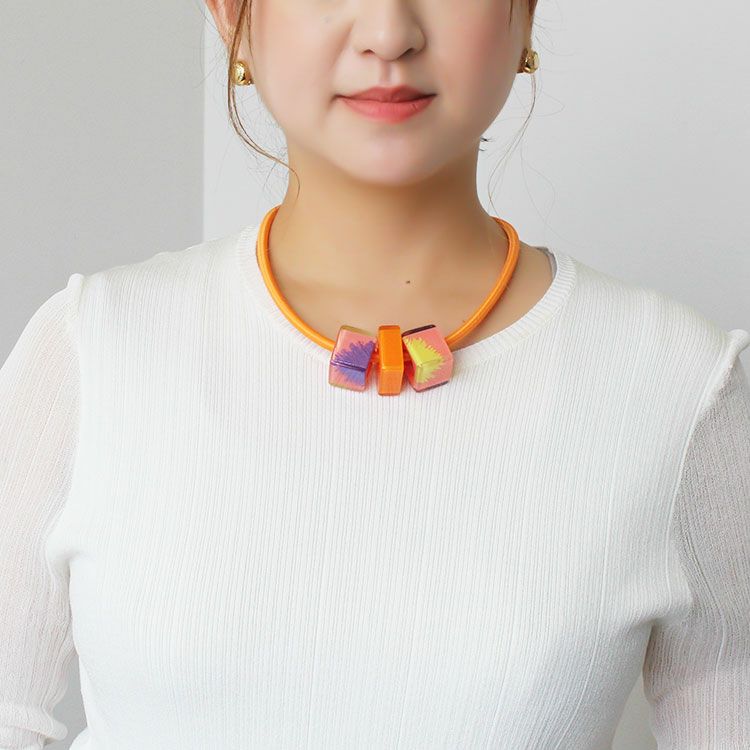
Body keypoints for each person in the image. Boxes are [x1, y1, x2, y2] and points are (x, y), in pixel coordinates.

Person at [1, 0, 748, 747]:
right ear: (231, 16)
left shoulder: (678, 382)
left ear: (523, 14)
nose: (390, 34)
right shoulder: (92, 349)